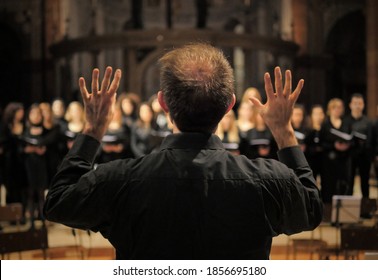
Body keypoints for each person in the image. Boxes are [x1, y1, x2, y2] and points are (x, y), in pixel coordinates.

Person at [44, 44, 322, 260]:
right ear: (229, 106)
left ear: (163, 103)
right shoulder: (268, 180)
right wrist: (284, 132)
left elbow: (58, 202)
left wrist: (92, 130)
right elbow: (311, 209)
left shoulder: (120, 180)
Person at [320, 98, 352, 204]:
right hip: (329, 159)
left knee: (343, 183)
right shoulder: (325, 124)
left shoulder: (346, 123)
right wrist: (334, 145)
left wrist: (346, 145)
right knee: (329, 184)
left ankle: (342, 211)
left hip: (343, 158)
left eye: (339, 107)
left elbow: (350, 138)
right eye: (335, 107)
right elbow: (321, 142)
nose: (337, 110)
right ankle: (328, 209)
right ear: (330, 109)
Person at [344, 93, 373, 198]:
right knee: (349, 181)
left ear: (363, 105)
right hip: (349, 155)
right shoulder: (345, 121)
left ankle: (366, 210)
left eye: (360, 103)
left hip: (364, 156)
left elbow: (371, 140)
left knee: (365, 182)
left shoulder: (368, 122)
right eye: (355, 103)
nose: (357, 106)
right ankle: (348, 209)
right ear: (350, 105)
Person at [304, 104, 325, 183]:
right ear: (311, 116)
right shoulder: (307, 131)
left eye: (320, 113)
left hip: (324, 161)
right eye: (315, 114)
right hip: (311, 161)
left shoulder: (326, 130)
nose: (318, 117)